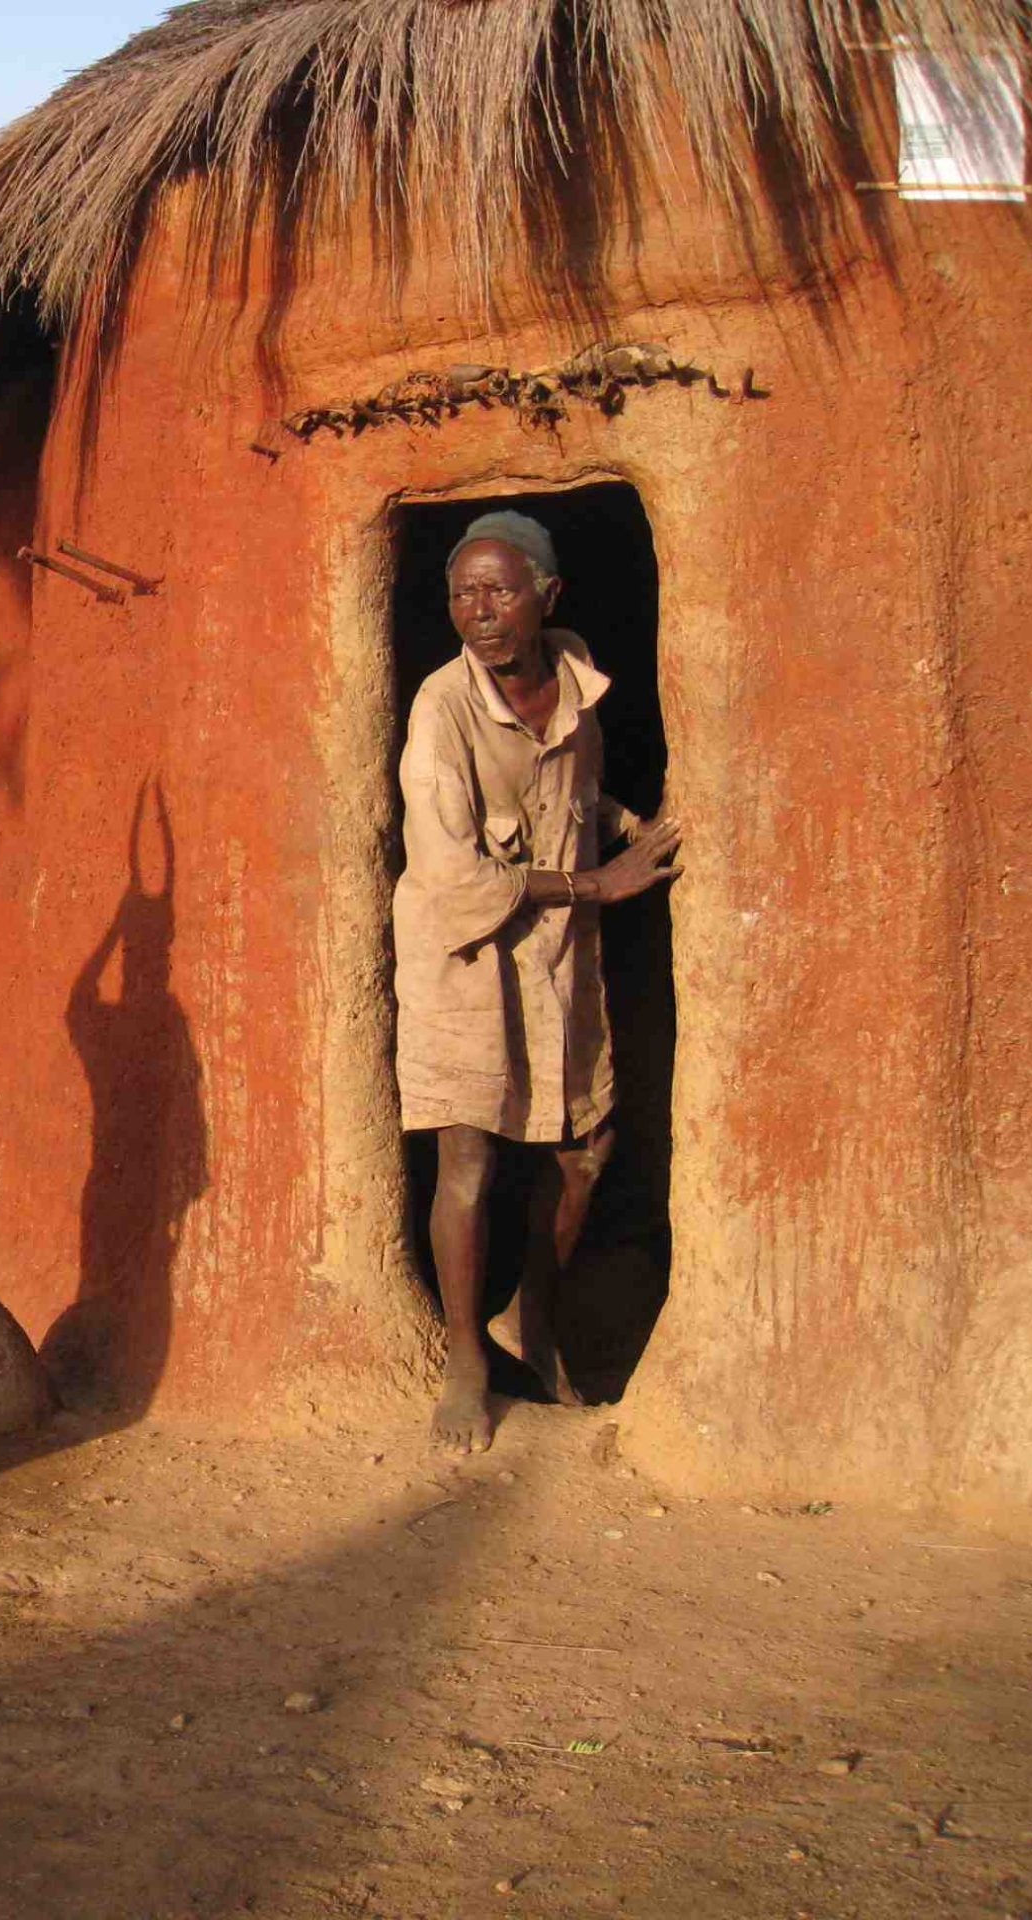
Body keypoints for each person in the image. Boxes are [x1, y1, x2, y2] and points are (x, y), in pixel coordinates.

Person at [392, 509, 684, 1454]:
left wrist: (627, 823)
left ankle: (535, 1325)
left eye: (499, 590)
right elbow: (451, 876)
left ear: (547, 597)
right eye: (461, 593)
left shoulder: (575, 678)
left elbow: (572, 787)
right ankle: (468, 1363)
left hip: (558, 955)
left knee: (583, 1148)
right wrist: (597, 881)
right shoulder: (442, 708)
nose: (477, 611)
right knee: (468, 1160)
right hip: (466, 958)